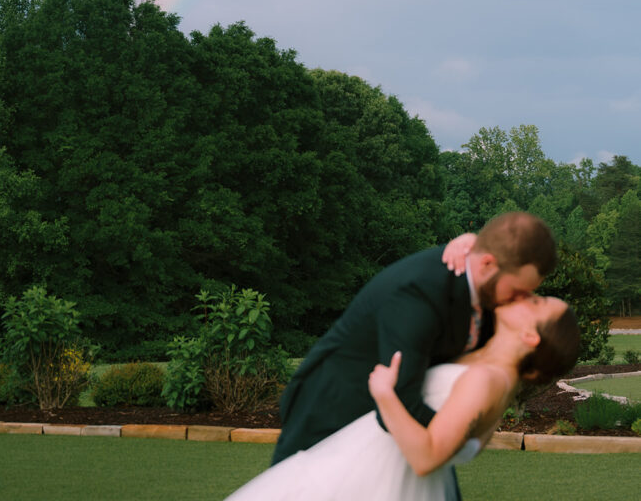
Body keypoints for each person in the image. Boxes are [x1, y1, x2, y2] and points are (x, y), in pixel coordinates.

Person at [224, 294, 580, 500]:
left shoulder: (486, 379)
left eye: (535, 302)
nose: (523, 295)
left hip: (373, 475)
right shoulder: (494, 373)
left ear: (531, 337)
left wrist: (385, 395)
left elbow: (426, 456)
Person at [272, 211, 557, 466]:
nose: (521, 301)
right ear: (487, 264)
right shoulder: (418, 295)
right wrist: (458, 443)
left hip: (390, 439)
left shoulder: (487, 290)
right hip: (329, 417)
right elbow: (401, 400)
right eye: (519, 291)